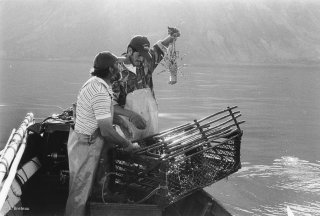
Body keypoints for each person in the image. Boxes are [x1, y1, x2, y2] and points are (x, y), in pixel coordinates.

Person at [65, 51, 138, 216]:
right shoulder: (99, 91)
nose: (120, 67)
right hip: (86, 144)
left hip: (82, 140)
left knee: (82, 189)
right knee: (79, 194)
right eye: (117, 65)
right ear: (111, 70)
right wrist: (128, 145)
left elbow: (104, 112)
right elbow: (106, 131)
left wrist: (121, 122)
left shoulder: (96, 83)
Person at [112, 27, 181, 141]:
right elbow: (110, 105)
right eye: (139, 55)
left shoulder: (147, 61)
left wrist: (172, 37)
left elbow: (162, 45)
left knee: (152, 147)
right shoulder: (115, 71)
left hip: (151, 125)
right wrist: (132, 115)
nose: (141, 59)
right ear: (130, 51)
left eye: (145, 56)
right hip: (128, 129)